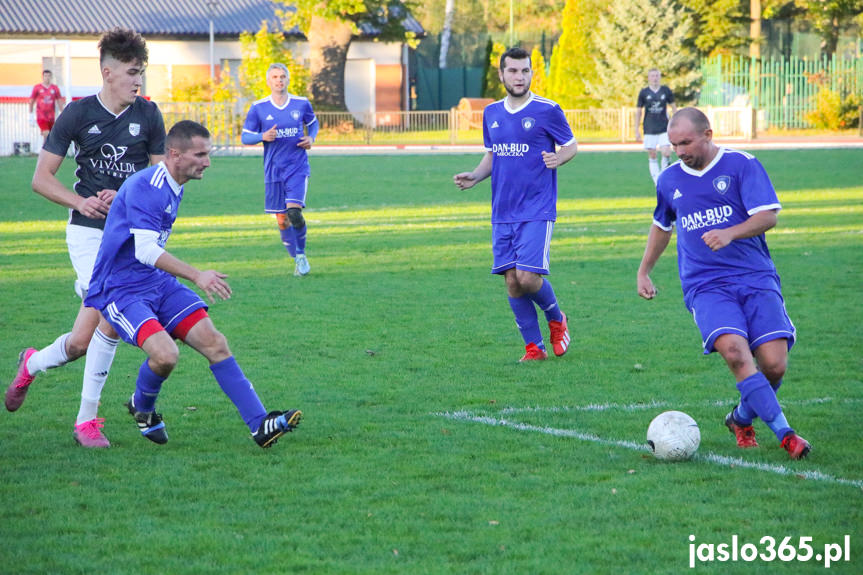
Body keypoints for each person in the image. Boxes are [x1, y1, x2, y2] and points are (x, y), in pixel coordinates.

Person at [84, 120, 302, 448]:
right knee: (166, 355)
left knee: (215, 342)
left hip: (155, 281)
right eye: (200, 154)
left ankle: (260, 424)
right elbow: (144, 250)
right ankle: (142, 409)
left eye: (208, 154)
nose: (207, 162)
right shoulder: (150, 185)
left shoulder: (173, 182)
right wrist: (198, 275)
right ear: (174, 154)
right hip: (121, 288)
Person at [5, 28, 166, 449]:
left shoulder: (149, 115)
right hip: (88, 236)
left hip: (133, 238)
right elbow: (41, 180)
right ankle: (86, 422)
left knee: (79, 342)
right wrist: (79, 202)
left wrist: (129, 193)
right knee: (111, 315)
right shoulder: (77, 114)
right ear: (107, 71)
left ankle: (31, 363)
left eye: (142, 73)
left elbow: (161, 180)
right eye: (132, 73)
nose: (138, 81)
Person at [636, 107, 810, 460]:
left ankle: (741, 418)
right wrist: (644, 271)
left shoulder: (742, 165)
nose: (680, 151)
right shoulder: (669, 180)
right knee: (734, 352)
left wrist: (731, 233)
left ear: (708, 135)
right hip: (706, 284)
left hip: (755, 277)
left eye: (686, 142)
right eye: (674, 144)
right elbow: (662, 226)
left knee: (774, 365)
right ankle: (787, 435)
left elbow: (768, 215)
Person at [453, 47, 578, 362]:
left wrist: (558, 158)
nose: (519, 77)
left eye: (525, 71)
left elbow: (571, 145)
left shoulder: (547, 109)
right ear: (501, 74)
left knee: (527, 277)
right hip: (502, 210)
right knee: (511, 280)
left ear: (532, 73)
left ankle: (556, 318)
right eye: (513, 71)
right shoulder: (492, 113)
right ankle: (533, 348)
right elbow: (493, 155)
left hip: (537, 208)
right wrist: (476, 176)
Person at [241, 63, 318, 277]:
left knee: (294, 212)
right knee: (282, 219)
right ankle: (296, 258)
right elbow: (245, 136)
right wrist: (262, 137)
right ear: (268, 81)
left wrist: (311, 137)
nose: (279, 80)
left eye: (282, 76)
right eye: (275, 77)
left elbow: (313, 123)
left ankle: (301, 254)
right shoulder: (259, 107)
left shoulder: (301, 103)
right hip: (273, 170)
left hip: (297, 167)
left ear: (288, 79)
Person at [635, 68, 677, 184]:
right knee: (652, 154)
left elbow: (673, 107)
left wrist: (677, 121)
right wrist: (636, 129)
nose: (655, 78)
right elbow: (638, 111)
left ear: (660, 77)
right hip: (649, 128)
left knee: (666, 152)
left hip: (664, 127)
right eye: (652, 76)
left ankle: (664, 176)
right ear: (648, 78)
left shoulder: (666, 91)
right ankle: (657, 181)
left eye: (657, 76)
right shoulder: (644, 93)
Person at [29, 70, 65, 138]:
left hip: (51, 117)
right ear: (42, 77)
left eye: (49, 76)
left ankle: (44, 148)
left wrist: (63, 113)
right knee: (46, 133)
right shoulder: (37, 87)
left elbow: (59, 101)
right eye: (45, 76)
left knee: (51, 137)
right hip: (41, 116)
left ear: (51, 77)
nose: (47, 77)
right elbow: (31, 101)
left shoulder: (55, 88)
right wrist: (30, 115)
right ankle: (46, 148)